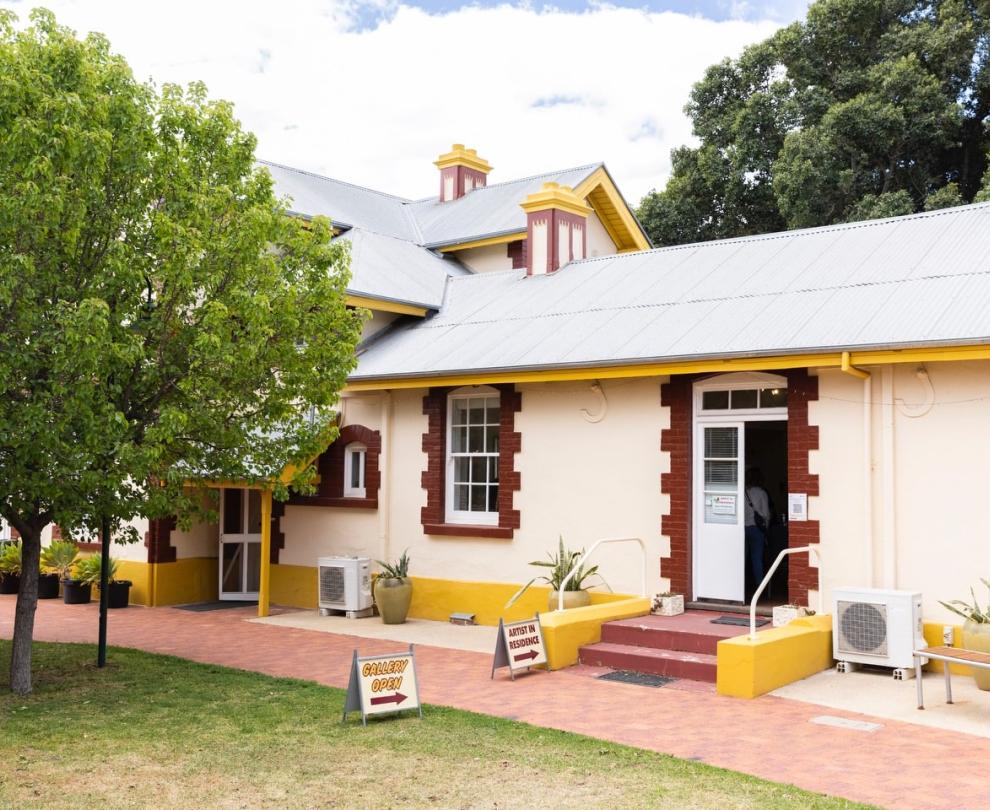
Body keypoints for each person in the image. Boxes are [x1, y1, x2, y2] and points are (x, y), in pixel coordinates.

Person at [744, 468, 771, 592]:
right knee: (757, 558)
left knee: (742, 558)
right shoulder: (761, 493)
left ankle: (741, 587)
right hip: (756, 529)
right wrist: (767, 528)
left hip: (743, 529)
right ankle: (760, 587)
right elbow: (766, 514)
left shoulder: (742, 492)